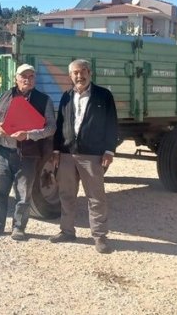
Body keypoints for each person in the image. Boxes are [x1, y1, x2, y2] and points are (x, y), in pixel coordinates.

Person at [50, 59, 118, 254]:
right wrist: (56, 150)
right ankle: (67, 231)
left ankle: (100, 237)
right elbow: (60, 123)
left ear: (89, 73)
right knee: (66, 195)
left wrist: (109, 150)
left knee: (96, 197)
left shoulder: (103, 96)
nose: (79, 76)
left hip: (92, 154)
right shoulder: (66, 96)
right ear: (70, 76)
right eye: (75, 73)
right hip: (66, 154)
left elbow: (112, 124)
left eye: (82, 72)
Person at [0, 64, 55, 240]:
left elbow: (51, 128)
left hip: (27, 155)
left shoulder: (43, 100)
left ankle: (19, 228)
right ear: (16, 78)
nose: (27, 79)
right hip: (3, 151)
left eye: (31, 76)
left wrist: (29, 135)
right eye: (24, 76)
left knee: (23, 194)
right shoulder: (6, 95)